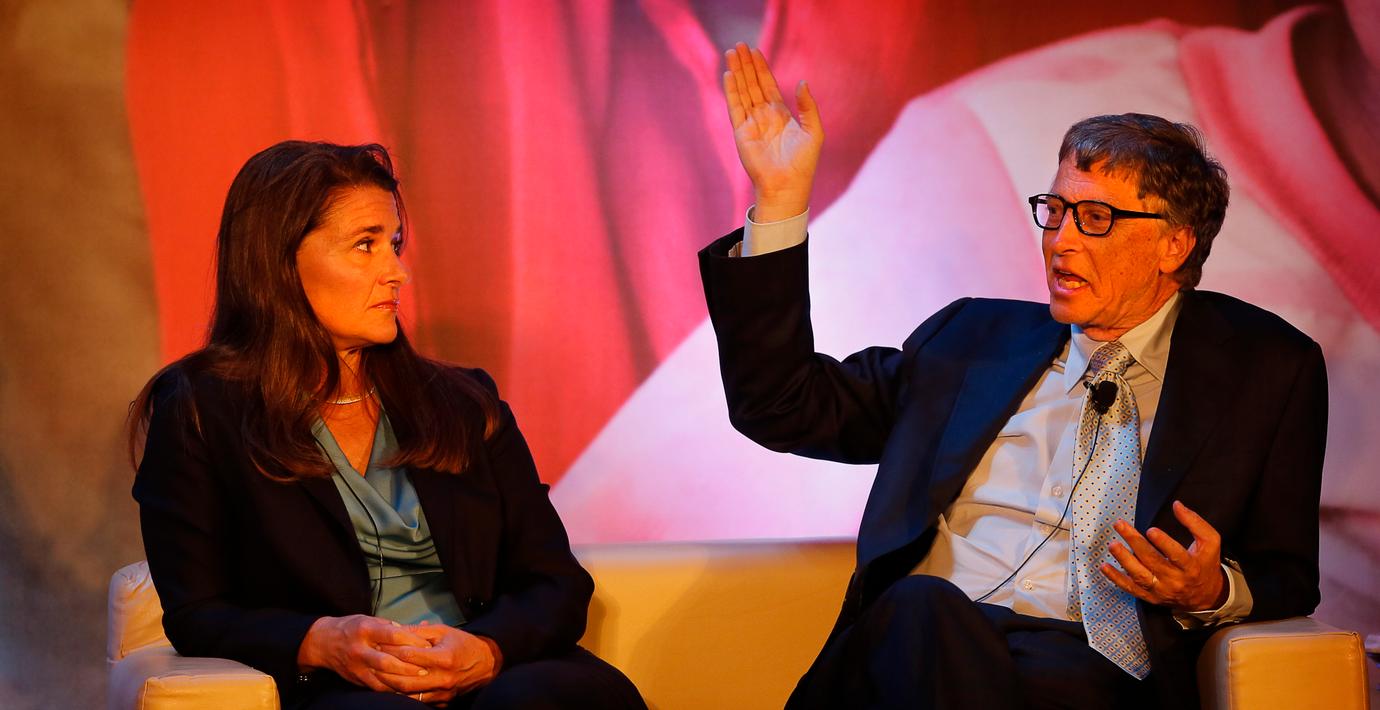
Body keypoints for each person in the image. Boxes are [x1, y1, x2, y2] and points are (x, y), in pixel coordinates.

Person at [700, 44, 1327, 709]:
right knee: (922, 609)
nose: (1060, 241)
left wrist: (1212, 591)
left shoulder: (1265, 371)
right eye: (1055, 211)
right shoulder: (970, 342)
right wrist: (779, 201)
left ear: (1174, 244)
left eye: (1096, 219)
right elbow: (781, 404)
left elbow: (1288, 573)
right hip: (918, 646)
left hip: (1088, 671)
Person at [129, 142, 646, 710]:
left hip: (497, 678)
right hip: (341, 689)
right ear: (279, 262)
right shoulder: (199, 410)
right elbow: (196, 612)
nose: (397, 272)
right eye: (365, 245)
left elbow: (556, 583)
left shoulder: (463, 404)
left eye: (394, 244)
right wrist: (321, 642)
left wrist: (487, 650)